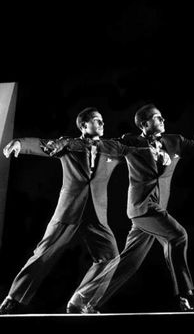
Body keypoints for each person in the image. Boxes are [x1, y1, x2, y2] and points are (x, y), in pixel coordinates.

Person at [67, 103, 194, 313]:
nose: (163, 121)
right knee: (178, 236)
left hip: (156, 209)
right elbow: (105, 145)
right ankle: (186, 295)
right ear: (144, 123)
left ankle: (82, 300)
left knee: (128, 264)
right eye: (157, 118)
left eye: (162, 117)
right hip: (142, 208)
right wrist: (68, 144)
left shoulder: (174, 140)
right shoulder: (131, 141)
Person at [0, 107, 134, 314]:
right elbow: (43, 145)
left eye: (102, 121)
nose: (102, 125)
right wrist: (20, 143)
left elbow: (135, 149)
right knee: (44, 254)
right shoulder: (68, 144)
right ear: (83, 125)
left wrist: (156, 151)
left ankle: (80, 302)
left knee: (110, 257)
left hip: (95, 214)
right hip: (69, 210)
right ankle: (13, 298)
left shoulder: (112, 147)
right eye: (97, 121)